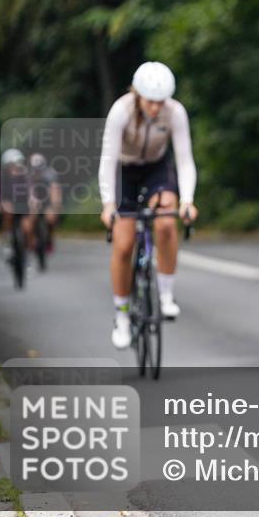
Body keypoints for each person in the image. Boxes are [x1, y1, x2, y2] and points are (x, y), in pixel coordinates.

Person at [98, 61, 198, 349]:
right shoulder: (121, 111)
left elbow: (184, 159)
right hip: (123, 171)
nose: (155, 108)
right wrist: (107, 204)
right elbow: (107, 160)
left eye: (160, 102)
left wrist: (188, 200)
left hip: (156, 168)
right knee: (124, 244)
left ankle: (166, 295)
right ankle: (122, 314)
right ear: (137, 94)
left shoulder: (175, 112)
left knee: (167, 221)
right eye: (150, 102)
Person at [0, 148, 36, 260]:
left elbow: (30, 188)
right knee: (8, 212)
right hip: (8, 202)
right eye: (11, 165)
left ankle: (27, 252)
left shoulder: (25, 174)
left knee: (28, 228)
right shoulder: (1, 176)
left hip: (23, 204)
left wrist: (32, 199)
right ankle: (7, 239)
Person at [28, 153, 62, 253]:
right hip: (33, 199)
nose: (37, 172)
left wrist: (55, 205)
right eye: (35, 169)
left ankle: (49, 238)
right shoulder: (28, 175)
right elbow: (28, 191)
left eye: (39, 169)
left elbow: (55, 190)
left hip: (47, 200)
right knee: (31, 217)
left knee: (51, 218)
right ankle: (31, 239)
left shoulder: (51, 174)